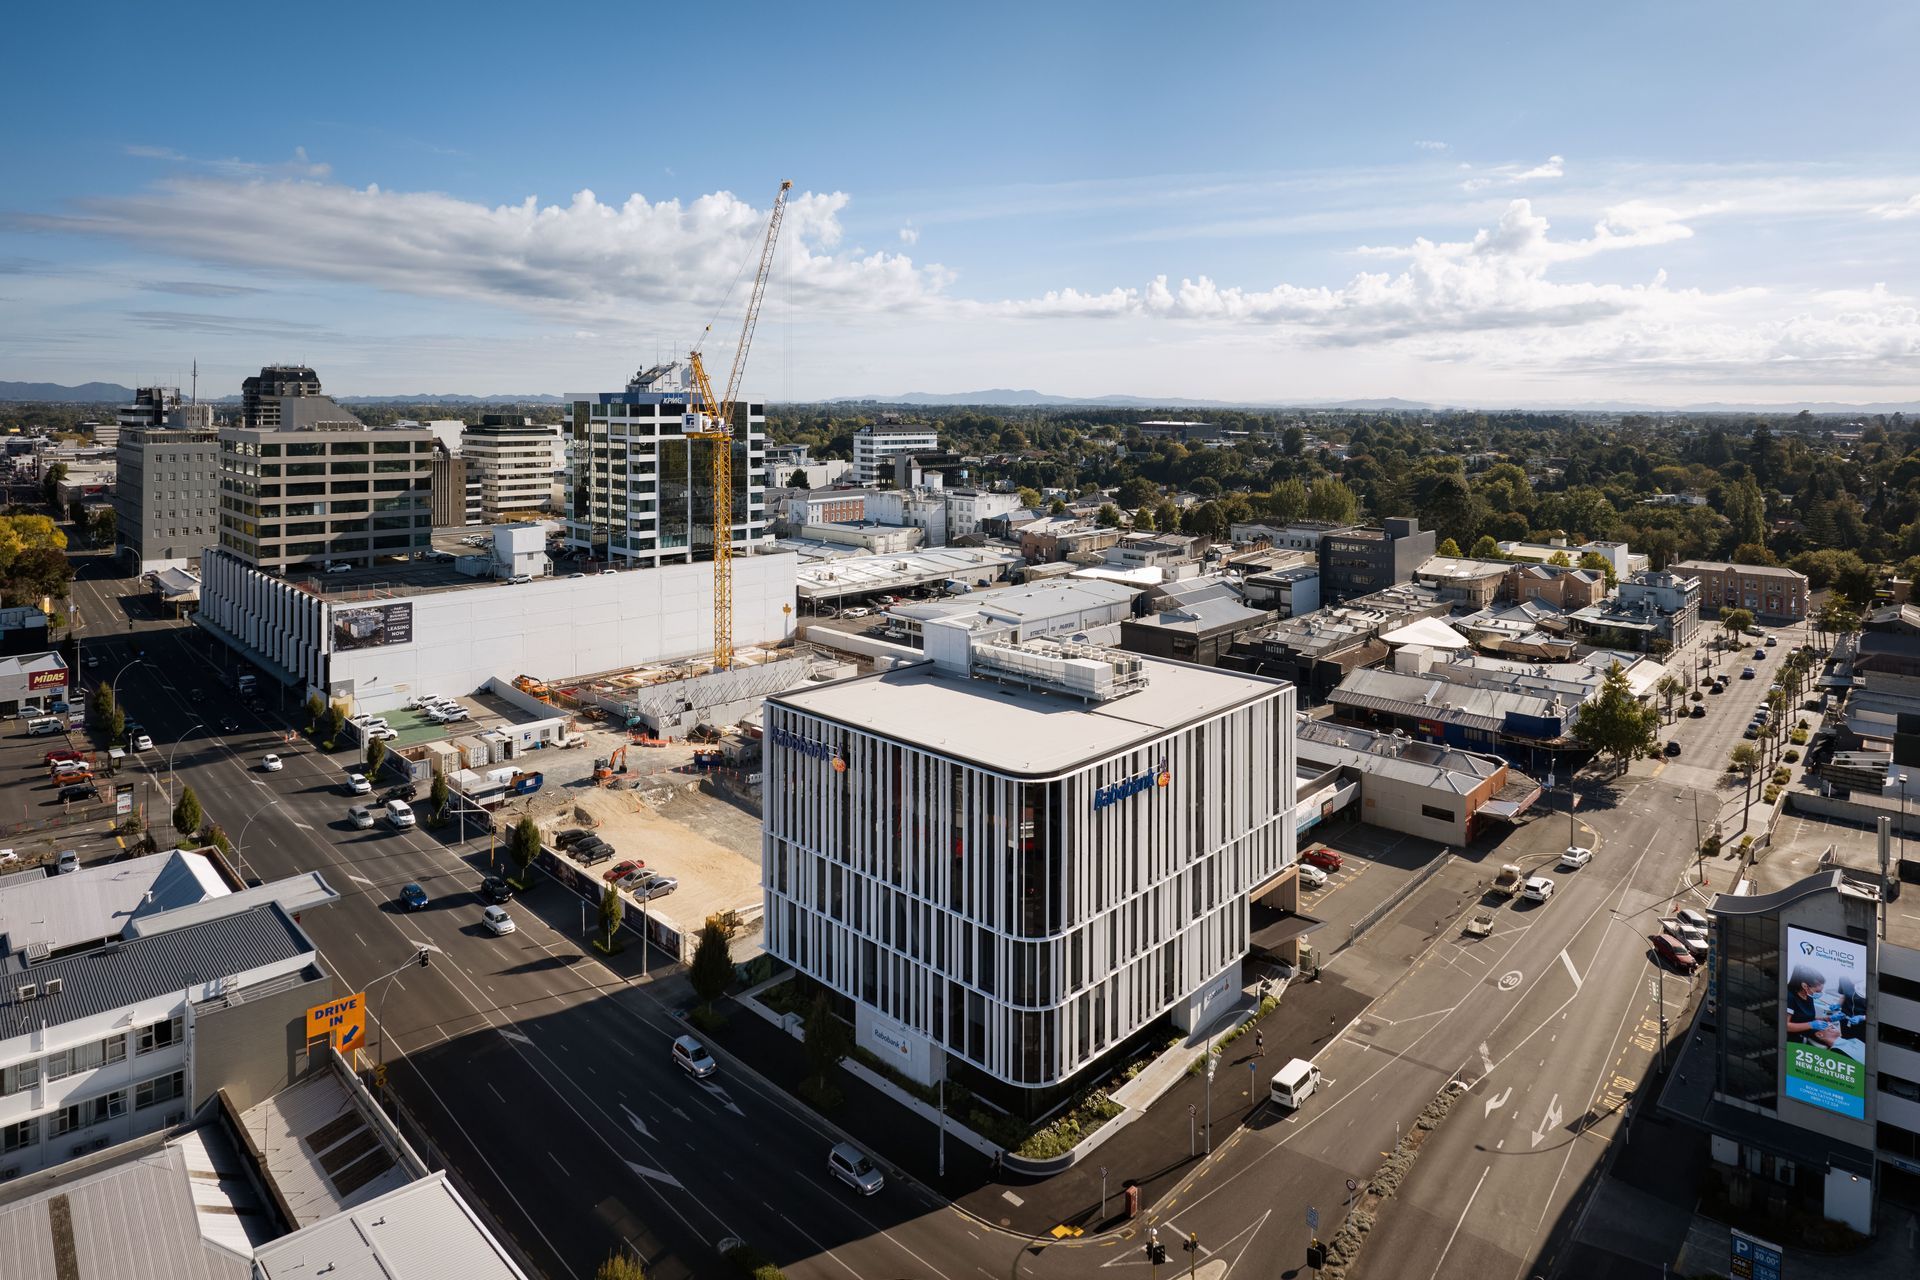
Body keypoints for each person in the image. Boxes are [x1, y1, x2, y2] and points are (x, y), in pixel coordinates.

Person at [1785, 965, 1841, 1048]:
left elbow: (1806, 1019)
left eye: (1821, 991)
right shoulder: (1789, 997)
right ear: (1805, 986)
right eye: (1817, 991)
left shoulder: (1809, 997)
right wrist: (1811, 1025)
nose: (1819, 994)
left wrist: (1828, 1019)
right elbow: (1785, 1026)